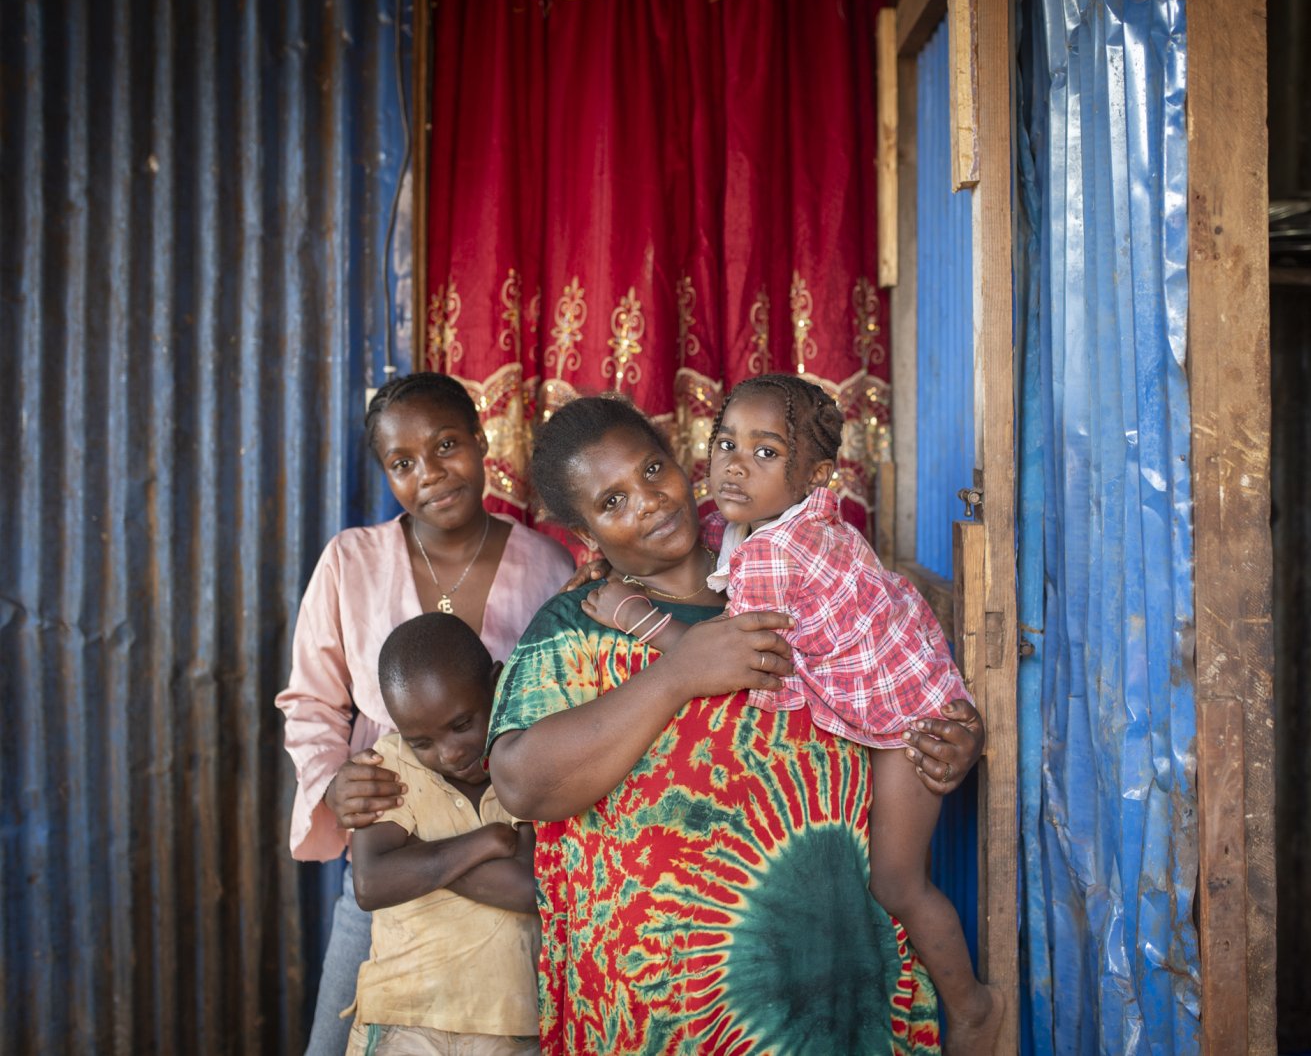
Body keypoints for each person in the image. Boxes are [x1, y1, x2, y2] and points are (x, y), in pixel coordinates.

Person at [486, 395, 987, 1055]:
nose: (649, 500)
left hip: (835, 994)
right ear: (584, 533)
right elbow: (522, 784)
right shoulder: (580, 622)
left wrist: (953, 739)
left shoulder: (801, 576)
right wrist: (677, 673)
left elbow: (890, 678)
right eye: (611, 503)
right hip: (661, 1021)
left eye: (651, 471)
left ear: (678, 460)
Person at [275, 373, 576, 1056]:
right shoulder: (350, 561)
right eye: (402, 464)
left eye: (446, 446)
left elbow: (570, 702)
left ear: (481, 440)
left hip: (513, 859)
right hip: (390, 853)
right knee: (341, 1040)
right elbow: (310, 700)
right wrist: (329, 779)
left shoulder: (548, 566)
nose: (430, 475)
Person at [344, 613, 542, 1056]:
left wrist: (413, 857)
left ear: (495, 683)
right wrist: (487, 841)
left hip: (509, 1025)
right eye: (423, 743)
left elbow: (531, 889)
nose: (450, 753)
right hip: (402, 1019)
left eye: (461, 725)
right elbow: (372, 884)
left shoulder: (528, 758)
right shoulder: (388, 765)